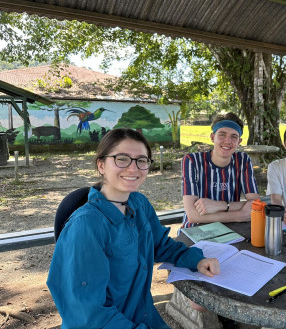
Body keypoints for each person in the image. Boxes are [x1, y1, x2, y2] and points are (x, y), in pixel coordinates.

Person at [47, 128, 219, 329]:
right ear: (101, 165)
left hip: (144, 315)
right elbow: (87, 315)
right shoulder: (86, 226)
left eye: (141, 160)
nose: (133, 168)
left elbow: (160, 245)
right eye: (122, 159)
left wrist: (197, 260)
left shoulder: (138, 203)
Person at [181, 112, 260, 228]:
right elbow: (193, 216)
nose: (228, 141)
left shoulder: (242, 160)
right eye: (222, 135)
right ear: (213, 137)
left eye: (234, 136)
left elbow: (255, 204)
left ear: (239, 142)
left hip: (231, 228)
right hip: (197, 228)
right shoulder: (192, 161)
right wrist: (240, 215)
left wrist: (219, 205)